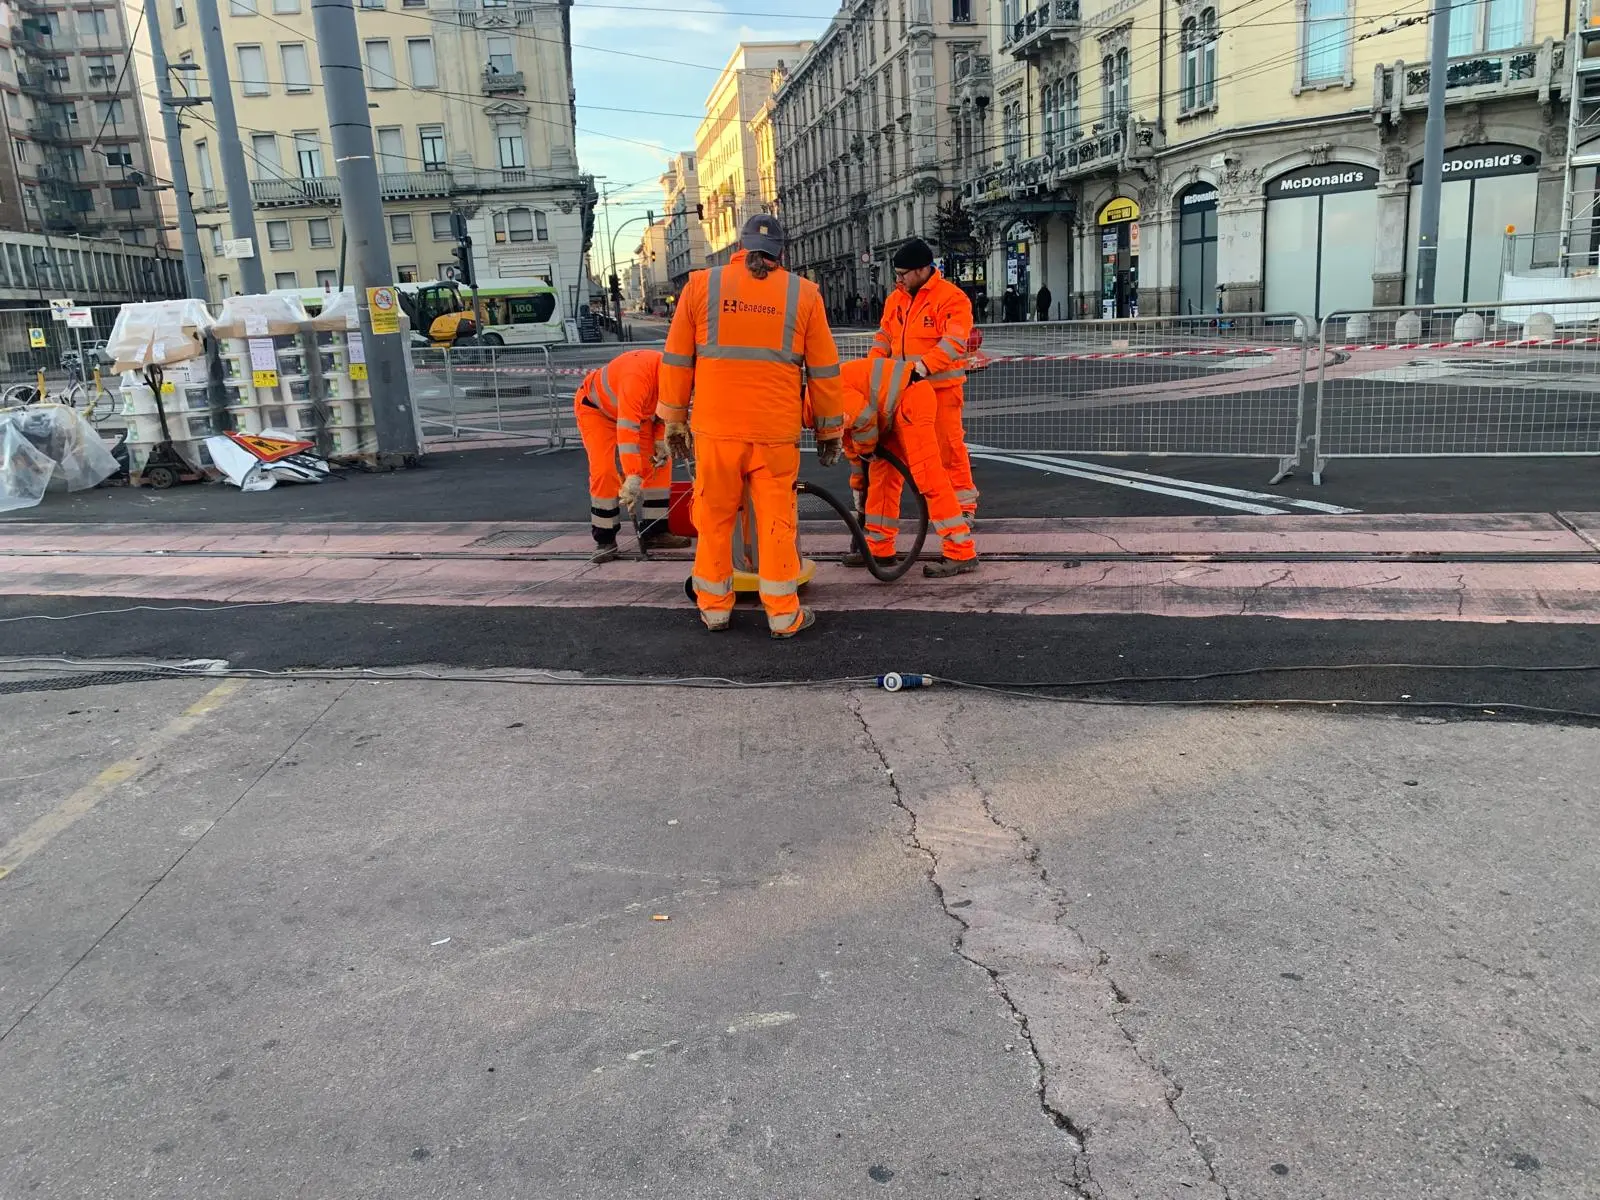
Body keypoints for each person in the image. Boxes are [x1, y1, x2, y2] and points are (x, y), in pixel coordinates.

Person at [657, 214, 844, 637]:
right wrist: (831, 431)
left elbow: (677, 360)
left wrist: (673, 421)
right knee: (777, 520)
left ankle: (714, 608)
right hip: (775, 431)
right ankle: (782, 614)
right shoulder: (804, 294)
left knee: (714, 517)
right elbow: (825, 372)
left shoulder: (702, 286)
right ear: (782, 251)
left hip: (716, 428)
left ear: (739, 247)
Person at [869, 236, 980, 524]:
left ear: (921, 270)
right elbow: (884, 336)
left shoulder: (951, 298)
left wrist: (922, 368)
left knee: (949, 453)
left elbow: (954, 341)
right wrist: (874, 366)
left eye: (903, 274)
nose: (899, 280)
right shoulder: (896, 299)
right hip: (903, 393)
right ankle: (883, 535)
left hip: (940, 390)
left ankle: (963, 512)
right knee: (893, 458)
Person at [836, 358, 976, 576]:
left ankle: (960, 550)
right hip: (890, 410)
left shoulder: (828, 397)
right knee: (881, 476)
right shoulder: (821, 402)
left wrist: (866, 450)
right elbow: (851, 444)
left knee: (927, 474)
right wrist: (859, 485)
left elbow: (864, 421)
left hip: (910, 400)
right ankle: (880, 548)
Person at [573, 348, 690, 563]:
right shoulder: (637, 378)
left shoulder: (675, 378)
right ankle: (605, 538)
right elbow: (627, 429)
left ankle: (655, 531)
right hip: (597, 412)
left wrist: (660, 440)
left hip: (639, 415)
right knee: (604, 471)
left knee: (659, 463)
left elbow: (666, 411)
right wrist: (633, 476)